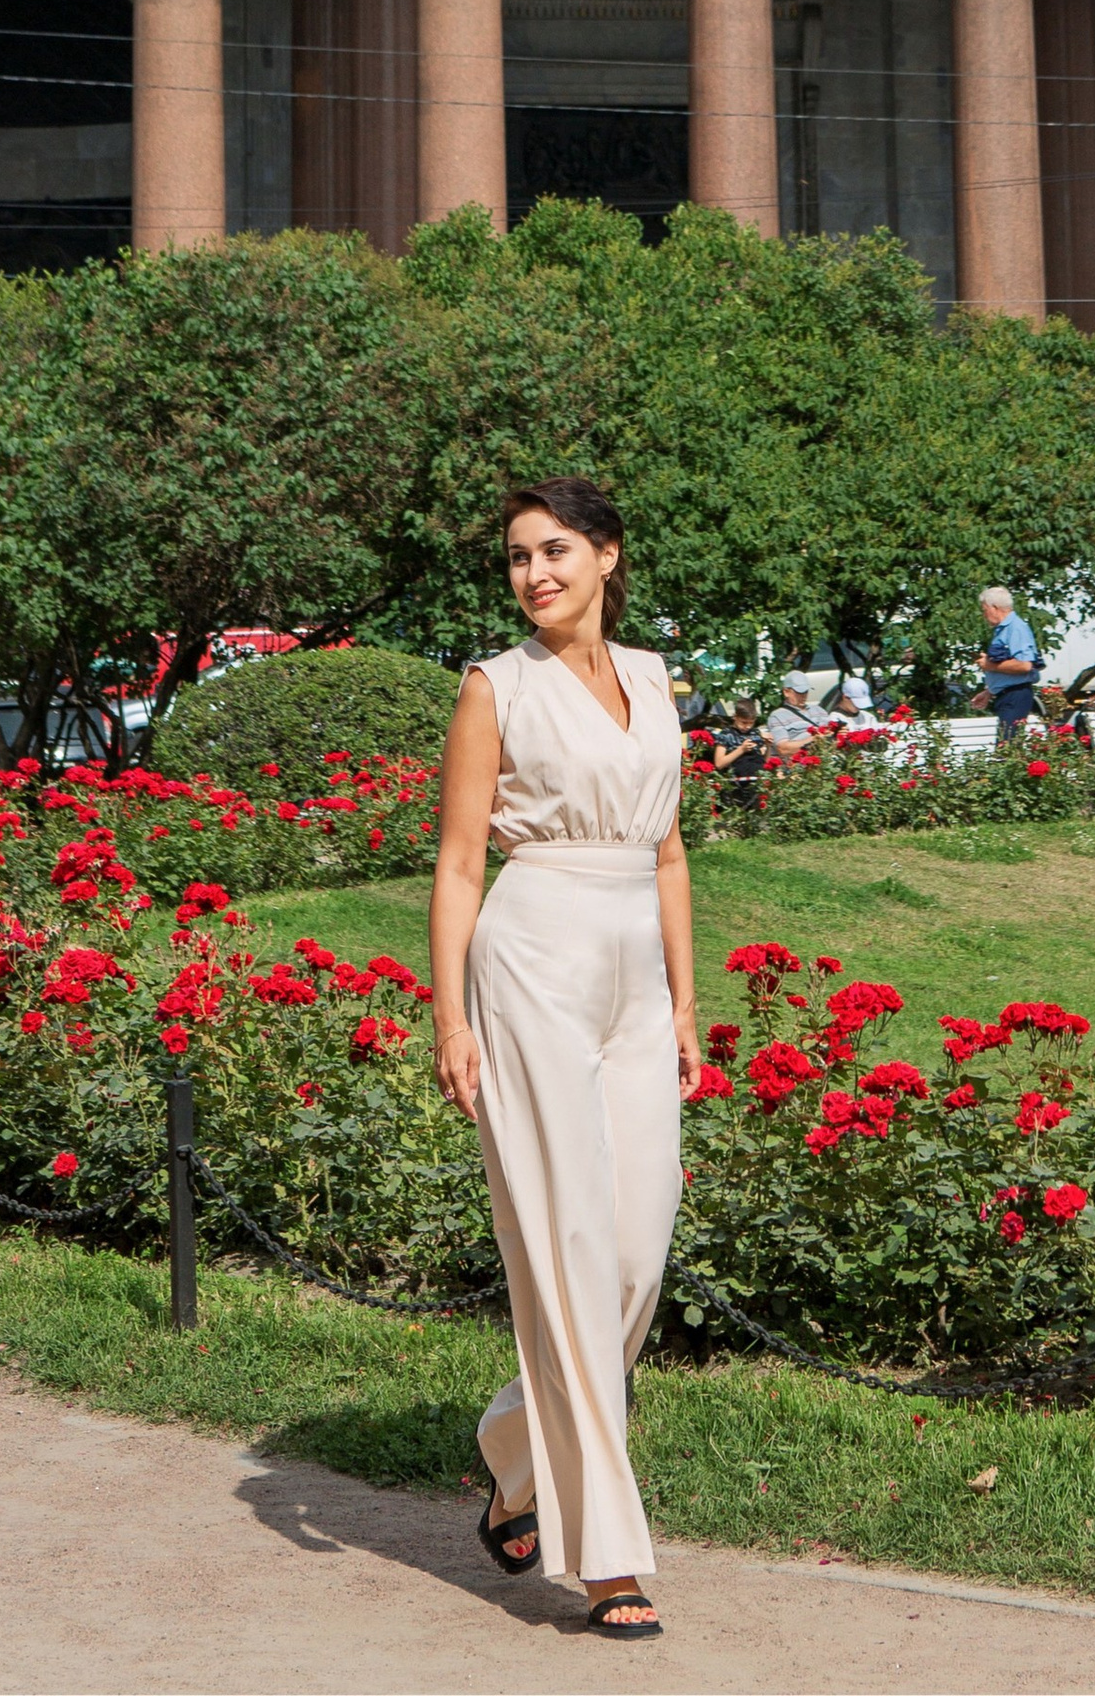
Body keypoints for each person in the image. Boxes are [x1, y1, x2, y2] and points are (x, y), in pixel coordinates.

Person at [429, 478, 693, 1640]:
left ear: (607, 557)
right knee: (568, 1246)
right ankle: (607, 1556)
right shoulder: (496, 686)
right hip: (530, 962)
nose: (536, 573)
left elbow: (671, 851)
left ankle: (509, 1447)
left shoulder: (651, 677)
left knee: (637, 1250)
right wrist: (452, 1017)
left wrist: (686, 1005)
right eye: (519, 558)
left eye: (556, 551)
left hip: (636, 974)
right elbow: (454, 865)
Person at [975, 585, 1041, 728]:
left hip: (1015, 696)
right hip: (1008, 696)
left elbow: (1025, 665)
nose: (984, 615)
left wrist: (989, 665)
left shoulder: (1016, 628)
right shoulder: (1004, 629)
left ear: (995, 608)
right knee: (1006, 745)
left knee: (1007, 745)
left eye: (985, 610)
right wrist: (989, 692)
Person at [708, 694, 765, 812]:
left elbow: (764, 761)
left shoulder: (755, 733)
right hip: (735, 786)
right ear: (735, 717)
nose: (747, 726)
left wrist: (768, 746)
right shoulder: (726, 735)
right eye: (744, 722)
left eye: (751, 723)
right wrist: (741, 750)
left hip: (755, 784)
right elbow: (719, 763)